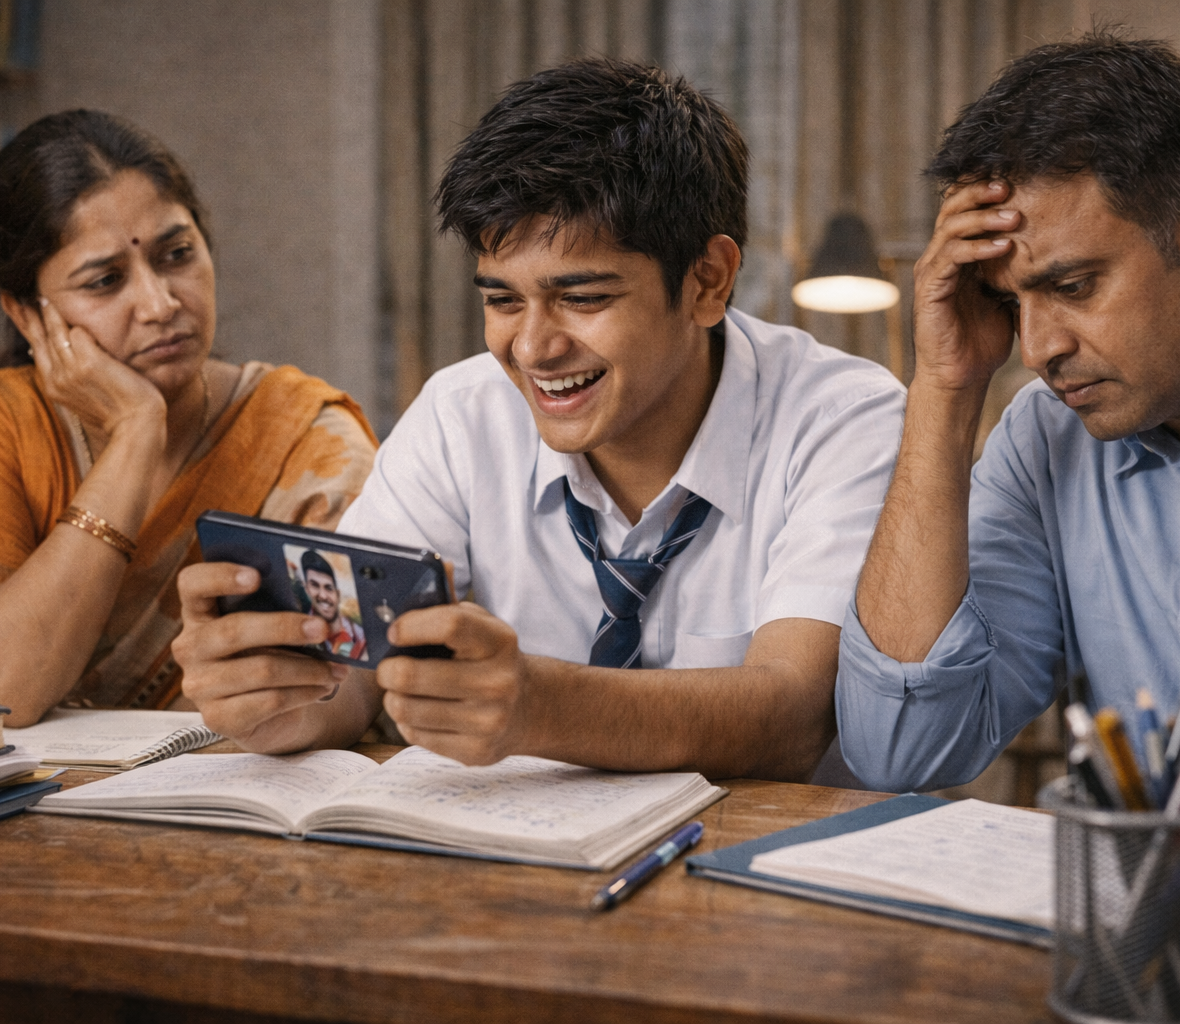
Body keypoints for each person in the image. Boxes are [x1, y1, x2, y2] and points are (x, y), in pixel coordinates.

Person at [174, 58, 905, 779]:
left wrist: (541, 707)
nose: (532, 348)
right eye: (501, 300)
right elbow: (358, 672)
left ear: (707, 281)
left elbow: (795, 715)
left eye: (583, 298)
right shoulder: (461, 417)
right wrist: (281, 701)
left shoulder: (843, 419)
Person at [835, 32, 1180, 838]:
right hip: (1134, 944)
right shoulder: (1047, 440)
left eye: (1071, 286)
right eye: (1009, 304)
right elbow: (899, 750)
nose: (1036, 351)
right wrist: (945, 389)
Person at [0, 110, 377, 726]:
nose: (160, 304)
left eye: (177, 254)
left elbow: (353, 684)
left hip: (215, 792)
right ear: (28, 314)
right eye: (106, 280)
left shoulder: (305, 436)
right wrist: (135, 434)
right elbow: (3, 687)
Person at [299, 550, 367, 660]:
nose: (323, 595)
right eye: (315, 585)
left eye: (328, 588)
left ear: (338, 594)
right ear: (307, 589)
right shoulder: (299, 631)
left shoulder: (360, 635)